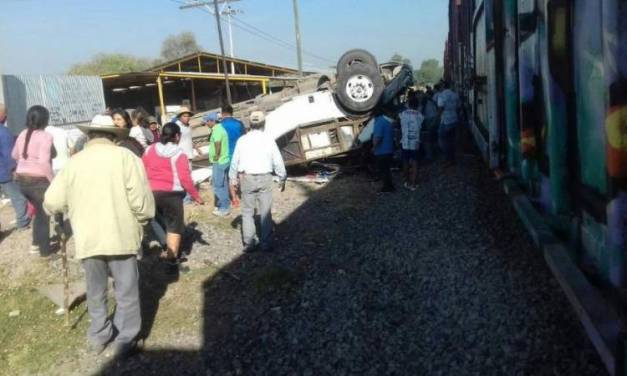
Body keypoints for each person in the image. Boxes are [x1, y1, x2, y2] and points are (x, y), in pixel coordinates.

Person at [43, 114, 155, 358]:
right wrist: (144, 220)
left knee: (95, 291)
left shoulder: (74, 162)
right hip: (121, 235)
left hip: (89, 238)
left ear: (89, 136)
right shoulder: (126, 157)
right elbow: (142, 203)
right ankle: (126, 339)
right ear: (113, 136)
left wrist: (58, 213)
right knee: (126, 290)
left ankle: (98, 336)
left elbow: (52, 201)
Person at [142, 122, 203, 264]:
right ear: (177, 136)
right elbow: (185, 179)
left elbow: (141, 170)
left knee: (158, 221)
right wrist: (196, 196)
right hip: (172, 195)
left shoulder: (149, 150)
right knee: (174, 227)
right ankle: (172, 259)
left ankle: (166, 247)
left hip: (152, 193)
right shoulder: (179, 154)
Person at [229, 111, 286, 253]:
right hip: (265, 178)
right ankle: (266, 243)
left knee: (247, 212)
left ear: (250, 124)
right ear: (264, 124)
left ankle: (249, 243)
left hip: (247, 178)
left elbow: (234, 162)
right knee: (265, 212)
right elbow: (278, 161)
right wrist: (282, 177)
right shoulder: (268, 140)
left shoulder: (242, 140)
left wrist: (233, 178)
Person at [12, 105, 55, 256]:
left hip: (22, 181)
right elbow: (44, 162)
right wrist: (52, 181)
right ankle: (45, 252)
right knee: (43, 216)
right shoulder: (46, 136)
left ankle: (35, 244)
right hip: (38, 182)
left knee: (38, 212)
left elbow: (15, 155)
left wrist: (27, 161)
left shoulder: (22, 134)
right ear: (45, 119)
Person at [0, 103, 29, 230]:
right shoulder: (4, 132)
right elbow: (8, 155)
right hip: (4, 172)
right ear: (2, 116)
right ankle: (22, 223)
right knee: (18, 198)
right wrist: (14, 170)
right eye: (5, 113)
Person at [204, 112, 231, 216]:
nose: (206, 123)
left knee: (217, 186)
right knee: (223, 184)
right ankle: (224, 205)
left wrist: (217, 155)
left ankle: (224, 208)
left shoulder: (217, 130)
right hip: (224, 160)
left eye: (207, 121)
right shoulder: (220, 128)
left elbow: (218, 143)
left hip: (219, 161)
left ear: (212, 121)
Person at [220, 104, 245, 208]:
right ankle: (244, 196)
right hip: (240, 153)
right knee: (241, 174)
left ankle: (234, 199)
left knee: (230, 176)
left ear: (222, 113)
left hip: (226, 155)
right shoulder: (239, 123)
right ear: (232, 112)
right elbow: (244, 137)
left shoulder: (220, 125)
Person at [399, 94, 424, 191]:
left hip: (404, 142)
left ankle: (406, 181)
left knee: (405, 162)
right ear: (417, 105)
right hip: (415, 143)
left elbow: (399, 124)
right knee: (415, 163)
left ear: (408, 104)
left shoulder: (403, 114)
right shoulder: (420, 115)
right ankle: (413, 184)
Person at [437, 81, 461, 165]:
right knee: (451, 140)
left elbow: (440, 108)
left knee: (442, 140)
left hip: (445, 121)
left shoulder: (441, 95)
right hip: (454, 119)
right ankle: (452, 159)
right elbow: (458, 108)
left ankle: (448, 159)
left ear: (443, 86)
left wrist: (437, 118)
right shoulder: (455, 95)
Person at [371, 111, 396, 193]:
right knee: (387, 169)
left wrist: (374, 147)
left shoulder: (378, 122)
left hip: (382, 151)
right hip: (389, 149)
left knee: (383, 170)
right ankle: (390, 186)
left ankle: (387, 188)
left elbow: (378, 137)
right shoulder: (388, 122)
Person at [421, 88, 440, 161]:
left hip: (430, 120)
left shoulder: (425, 103)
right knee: (433, 137)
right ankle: (435, 153)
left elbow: (422, 114)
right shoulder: (431, 101)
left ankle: (430, 156)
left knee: (428, 139)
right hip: (435, 119)